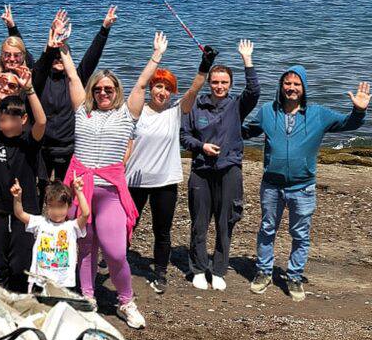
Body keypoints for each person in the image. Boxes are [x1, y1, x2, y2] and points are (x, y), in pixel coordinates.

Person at [63, 34, 165, 330]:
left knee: (116, 251)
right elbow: (71, 74)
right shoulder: (83, 110)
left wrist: (156, 56)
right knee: (85, 247)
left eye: (109, 88)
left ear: (116, 90)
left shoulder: (126, 114)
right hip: (80, 188)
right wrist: (63, 48)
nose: (104, 92)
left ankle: (125, 300)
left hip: (108, 191)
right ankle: (88, 296)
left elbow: (141, 85)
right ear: (92, 91)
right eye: (98, 88)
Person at [244, 69, 369, 301]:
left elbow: (347, 124)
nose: (291, 88)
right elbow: (245, 132)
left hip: (303, 187)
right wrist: (223, 121)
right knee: (267, 229)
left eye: (297, 84)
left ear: (304, 88)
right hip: (271, 185)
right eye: (287, 83)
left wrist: (359, 110)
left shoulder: (318, 114)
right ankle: (263, 272)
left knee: (300, 234)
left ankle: (294, 276)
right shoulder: (267, 112)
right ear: (281, 86)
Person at [179, 41, 259, 291]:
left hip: (229, 170)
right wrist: (201, 146)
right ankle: (199, 268)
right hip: (201, 171)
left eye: (224, 82)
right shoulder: (195, 105)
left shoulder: (236, 105)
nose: (220, 86)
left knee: (226, 222)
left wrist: (247, 60)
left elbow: (254, 91)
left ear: (230, 85)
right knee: (199, 223)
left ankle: (219, 269)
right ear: (209, 83)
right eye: (215, 82)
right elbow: (184, 137)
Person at [127, 51, 207, 293]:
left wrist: (205, 66)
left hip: (165, 181)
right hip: (134, 180)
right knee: (127, 226)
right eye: (158, 86)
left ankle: (160, 271)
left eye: (167, 88)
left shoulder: (175, 112)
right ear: (152, 88)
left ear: (172, 92)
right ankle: (118, 263)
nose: (162, 92)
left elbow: (193, 91)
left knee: (162, 230)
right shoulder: (136, 112)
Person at [24, 6, 116, 186]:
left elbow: (93, 55)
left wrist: (104, 29)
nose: (58, 59)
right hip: (43, 147)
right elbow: (29, 55)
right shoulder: (40, 79)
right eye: (54, 57)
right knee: (41, 189)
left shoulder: (76, 80)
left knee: (67, 191)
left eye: (62, 56)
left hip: (69, 147)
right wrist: (13, 27)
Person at [0, 73, 48, 291]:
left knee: (20, 260)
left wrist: (30, 90)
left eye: (11, 119)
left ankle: (21, 294)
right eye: (2, 118)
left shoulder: (29, 141)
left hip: (25, 209)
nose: (5, 123)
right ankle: (3, 295)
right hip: (0, 207)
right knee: (0, 258)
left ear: (23, 119)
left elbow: (42, 121)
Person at [11, 177, 88, 293]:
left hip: (65, 283)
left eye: (61, 207)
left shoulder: (72, 227)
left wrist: (79, 191)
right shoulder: (40, 222)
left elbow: (86, 213)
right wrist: (17, 198)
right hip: (41, 282)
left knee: (62, 310)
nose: (56, 211)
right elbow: (20, 213)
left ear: (69, 206)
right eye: (52, 206)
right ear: (46, 206)